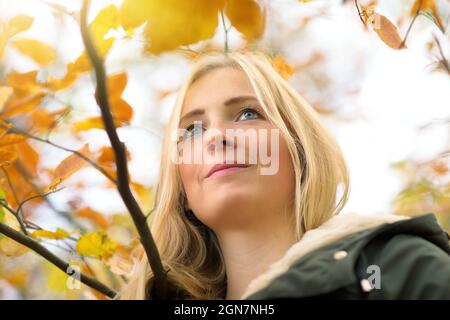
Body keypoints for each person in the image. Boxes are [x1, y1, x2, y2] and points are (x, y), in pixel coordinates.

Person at [117, 51, 450, 300]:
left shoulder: (394, 267)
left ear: (302, 153)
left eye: (247, 114)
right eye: (191, 129)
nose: (214, 137)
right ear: (182, 191)